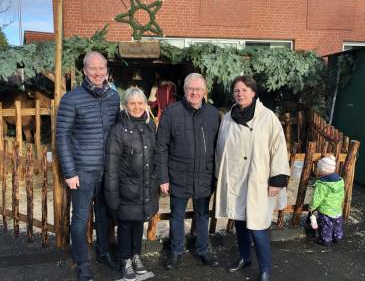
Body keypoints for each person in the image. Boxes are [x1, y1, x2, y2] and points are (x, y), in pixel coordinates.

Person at [215, 75, 290, 281]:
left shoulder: (267, 117)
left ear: (253, 93)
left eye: (244, 90)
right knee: (239, 222)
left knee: (258, 227)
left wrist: (277, 179)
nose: (240, 94)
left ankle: (265, 269)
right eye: (237, 91)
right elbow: (221, 148)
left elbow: (279, 148)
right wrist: (219, 175)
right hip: (236, 179)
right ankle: (244, 257)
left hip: (259, 180)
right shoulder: (229, 117)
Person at [56, 51, 120, 281]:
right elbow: (62, 136)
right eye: (92, 68)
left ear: (106, 70)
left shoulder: (113, 98)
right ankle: (82, 262)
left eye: (101, 68)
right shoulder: (71, 99)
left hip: (107, 170)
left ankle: (103, 253)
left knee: (104, 216)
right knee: (81, 217)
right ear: (84, 70)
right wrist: (69, 171)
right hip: (82, 171)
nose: (97, 72)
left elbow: (117, 131)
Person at [155, 73, 221, 269]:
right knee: (177, 215)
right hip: (178, 174)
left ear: (204, 91)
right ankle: (175, 251)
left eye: (199, 89)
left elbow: (219, 146)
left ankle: (202, 249)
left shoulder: (212, 114)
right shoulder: (171, 113)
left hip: (205, 174)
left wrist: (217, 174)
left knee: (202, 215)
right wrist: (163, 177)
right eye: (191, 88)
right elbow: (161, 147)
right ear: (184, 90)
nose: (194, 92)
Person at [104, 87, 158, 281]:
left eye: (140, 103)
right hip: (126, 190)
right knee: (126, 226)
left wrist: (155, 181)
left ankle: (136, 256)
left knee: (139, 224)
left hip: (145, 188)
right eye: (132, 103)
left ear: (145, 105)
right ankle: (125, 260)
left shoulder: (150, 125)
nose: (137, 107)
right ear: (125, 105)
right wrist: (112, 196)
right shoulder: (119, 130)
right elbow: (111, 166)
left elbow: (155, 156)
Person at [309, 155, 345, 247]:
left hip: (326, 211)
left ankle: (326, 240)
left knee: (326, 226)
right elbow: (342, 194)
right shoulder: (340, 181)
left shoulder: (322, 185)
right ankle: (338, 237)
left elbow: (317, 198)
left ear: (322, 170)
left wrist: (312, 207)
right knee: (337, 224)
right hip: (337, 209)